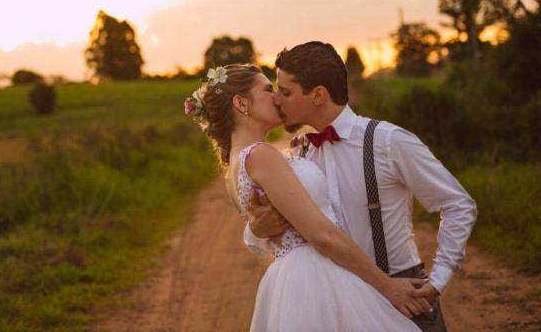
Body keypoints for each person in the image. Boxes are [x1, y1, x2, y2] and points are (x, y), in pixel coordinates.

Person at [244, 42, 477, 332]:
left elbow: (457, 204)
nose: (277, 100)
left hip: (402, 296)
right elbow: (280, 237)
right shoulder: (298, 157)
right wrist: (256, 229)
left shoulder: (388, 141)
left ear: (318, 95)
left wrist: (439, 279)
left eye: (286, 92)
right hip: (335, 301)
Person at [185, 64, 423, 331]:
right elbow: (322, 235)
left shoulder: (235, 164)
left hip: (293, 277)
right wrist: (387, 286)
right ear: (241, 103)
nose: (276, 97)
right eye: (267, 89)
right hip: (314, 277)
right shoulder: (261, 154)